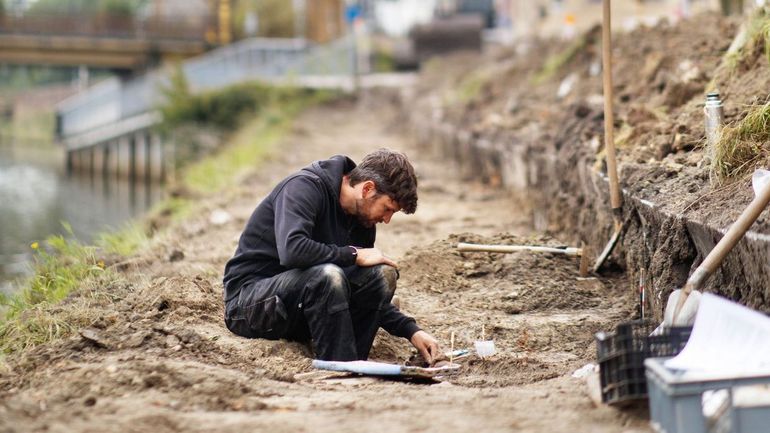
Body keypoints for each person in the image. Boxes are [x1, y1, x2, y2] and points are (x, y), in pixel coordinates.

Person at [223, 148, 441, 363]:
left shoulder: (362, 220)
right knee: (329, 275)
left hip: (304, 308)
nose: (386, 220)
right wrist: (353, 254)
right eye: (387, 209)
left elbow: (363, 290)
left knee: (382, 275)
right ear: (367, 189)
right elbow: (293, 251)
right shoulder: (303, 187)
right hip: (253, 305)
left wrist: (411, 331)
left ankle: (354, 362)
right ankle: (340, 366)